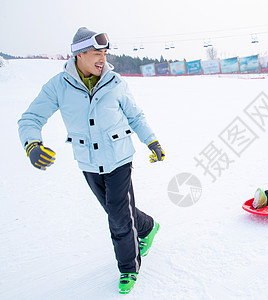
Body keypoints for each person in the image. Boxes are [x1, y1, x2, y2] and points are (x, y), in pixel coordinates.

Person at [17, 27, 164, 294]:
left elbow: (136, 116)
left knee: (119, 217)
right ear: (79, 54)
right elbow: (30, 119)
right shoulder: (58, 86)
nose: (102, 59)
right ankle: (149, 226)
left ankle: (128, 268)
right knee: (117, 211)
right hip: (88, 162)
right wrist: (32, 145)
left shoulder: (115, 81)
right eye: (96, 53)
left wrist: (151, 141)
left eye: (104, 53)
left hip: (119, 159)